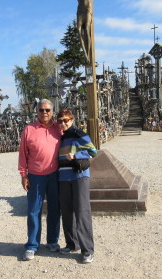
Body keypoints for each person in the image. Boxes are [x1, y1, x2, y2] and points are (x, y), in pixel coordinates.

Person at [18, 99, 62, 261]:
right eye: (41, 110)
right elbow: (23, 153)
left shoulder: (59, 128)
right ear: (36, 112)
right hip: (36, 175)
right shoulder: (29, 129)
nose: (44, 113)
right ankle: (32, 244)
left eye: (47, 110)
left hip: (55, 174)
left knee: (55, 209)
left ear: (52, 111)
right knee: (33, 211)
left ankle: (52, 241)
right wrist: (23, 174)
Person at [56, 109, 98, 264]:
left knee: (82, 211)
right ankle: (72, 243)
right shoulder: (59, 137)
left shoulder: (79, 133)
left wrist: (77, 156)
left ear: (72, 120)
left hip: (79, 175)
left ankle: (87, 249)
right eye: (60, 120)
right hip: (63, 176)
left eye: (66, 120)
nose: (63, 123)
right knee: (66, 211)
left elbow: (93, 151)